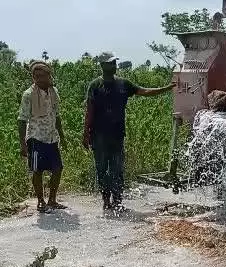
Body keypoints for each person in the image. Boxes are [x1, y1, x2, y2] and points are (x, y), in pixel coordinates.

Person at [83, 54, 175, 210]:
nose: (113, 66)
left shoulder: (123, 84)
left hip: (117, 135)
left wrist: (166, 88)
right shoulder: (95, 85)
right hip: (98, 135)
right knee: (101, 169)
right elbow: (89, 111)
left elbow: (144, 91)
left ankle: (117, 201)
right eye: (110, 64)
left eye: (114, 63)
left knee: (117, 169)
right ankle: (106, 200)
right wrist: (86, 133)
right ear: (102, 66)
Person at [18, 60, 67, 213]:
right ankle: (40, 201)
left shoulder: (54, 92)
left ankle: (52, 200)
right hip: (35, 138)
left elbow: (56, 115)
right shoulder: (28, 94)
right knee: (36, 170)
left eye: (43, 75)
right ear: (33, 77)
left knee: (58, 169)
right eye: (36, 76)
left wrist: (63, 137)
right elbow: (22, 120)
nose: (40, 79)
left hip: (51, 138)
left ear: (49, 75)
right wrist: (23, 144)